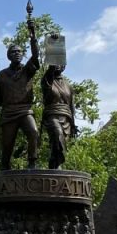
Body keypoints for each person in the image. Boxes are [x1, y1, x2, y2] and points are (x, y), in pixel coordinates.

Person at [0, 1, 42, 170]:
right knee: (7, 147)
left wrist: (32, 33)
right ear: (8, 56)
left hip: (25, 110)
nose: (17, 54)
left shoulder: (28, 70)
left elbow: (36, 56)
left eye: (19, 52)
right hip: (8, 113)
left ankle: (32, 163)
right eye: (13, 52)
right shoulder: (2, 75)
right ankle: (5, 169)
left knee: (33, 133)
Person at [38, 34, 76, 169]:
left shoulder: (68, 85)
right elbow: (51, 69)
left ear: (64, 66)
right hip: (52, 116)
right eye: (56, 63)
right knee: (57, 136)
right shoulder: (47, 80)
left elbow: (71, 106)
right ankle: (56, 167)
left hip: (66, 118)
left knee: (58, 146)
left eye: (61, 63)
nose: (58, 66)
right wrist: (55, 45)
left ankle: (54, 166)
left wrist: (74, 125)